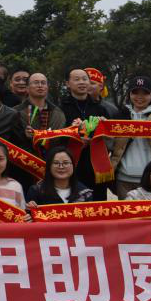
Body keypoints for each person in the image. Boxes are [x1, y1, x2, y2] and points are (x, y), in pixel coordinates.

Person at [59, 67, 115, 201]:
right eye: (77, 79)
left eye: (85, 79)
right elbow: (57, 136)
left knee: (98, 203)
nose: (81, 82)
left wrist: (105, 130)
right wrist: (75, 137)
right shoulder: (61, 108)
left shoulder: (100, 108)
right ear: (67, 84)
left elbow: (111, 138)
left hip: (96, 166)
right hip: (72, 164)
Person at [110, 75, 151, 198]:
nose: (139, 97)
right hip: (123, 178)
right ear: (129, 94)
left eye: (145, 93)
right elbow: (110, 144)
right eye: (135, 92)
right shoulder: (120, 115)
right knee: (128, 210)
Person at [26, 144, 93, 207]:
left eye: (65, 163)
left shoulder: (85, 193)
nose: (61, 167)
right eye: (56, 163)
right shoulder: (37, 191)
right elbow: (28, 214)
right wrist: (30, 212)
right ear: (49, 167)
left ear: (73, 166)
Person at [15, 72, 67, 152]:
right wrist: (25, 136)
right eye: (36, 83)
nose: (40, 85)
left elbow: (62, 140)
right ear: (27, 88)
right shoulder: (16, 112)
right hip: (27, 156)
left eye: (43, 83)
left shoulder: (58, 113)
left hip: (53, 156)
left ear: (47, 87)